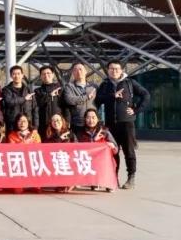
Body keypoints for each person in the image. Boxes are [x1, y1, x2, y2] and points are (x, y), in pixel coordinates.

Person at [95, 60, 151, 190]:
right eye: (111, 68)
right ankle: (113, 178)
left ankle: (131, 178)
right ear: (108, 70)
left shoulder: (129, 83)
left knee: (129, 151)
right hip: (111, 124)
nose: (114, 71)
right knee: (112, 152)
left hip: (126, 123)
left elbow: (146, 95)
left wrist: (136, 110)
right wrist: (112, 96)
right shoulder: (105, 85)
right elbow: (98, 100)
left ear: (121, 70)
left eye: (116, 69)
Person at [76, 108, 118, 192]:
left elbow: (116, 149)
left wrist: (112, 146)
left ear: (98, 119)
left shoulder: (105, 132)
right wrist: (94, 141)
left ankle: (108, 182)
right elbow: (80, 149)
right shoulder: (80, 133)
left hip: (103, 160)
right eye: (88, 117)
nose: (91, 120)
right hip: (88, 159)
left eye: (93, 117)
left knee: (109, 161)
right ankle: (93, 181)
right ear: (85, 119)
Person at [62, 62, 98, 136]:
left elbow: (99, 101)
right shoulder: (69, 86)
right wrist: (86, 97)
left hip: (92, 123)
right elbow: (70, 100)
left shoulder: (93, 86)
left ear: (85, 71)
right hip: (77, 123)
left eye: (80, 69)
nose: (78, 72)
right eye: (75, 70)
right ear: (73, 73)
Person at [1, 65, 39, 130]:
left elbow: (35, 108)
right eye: (14, 74)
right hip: (12, 124)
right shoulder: (6, 90)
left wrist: (35, 126)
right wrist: (24, 98)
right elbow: (9, 102)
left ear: (22, 75)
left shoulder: (29, 90)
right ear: (11, 76)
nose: (16, 76)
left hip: (27, 124)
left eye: (18, 74)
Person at [35, 66, 63, 141]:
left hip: (58, 123)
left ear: (53, 75)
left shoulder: (60, 89)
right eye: (43, 74)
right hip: (43, 123)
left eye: (48, 73)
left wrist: (67, 121)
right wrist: (49, 95)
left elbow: (65, 107)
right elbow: (38, 104)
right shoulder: (37, 91)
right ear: (40, 76)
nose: (46, 75)